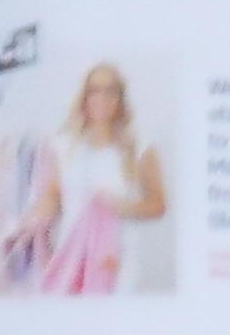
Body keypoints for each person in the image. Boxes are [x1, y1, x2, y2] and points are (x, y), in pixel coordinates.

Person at [19, 62, 164, 294]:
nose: (102, 98)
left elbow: (158, 204)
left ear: (120, 98)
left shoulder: (140, 147)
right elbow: (52, 196)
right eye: (95, 90)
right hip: (72, 259)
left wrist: (121, 207)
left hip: (118, 262)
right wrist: (33, 217)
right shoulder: (63, 145)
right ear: (85, 97)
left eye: (110, 91)